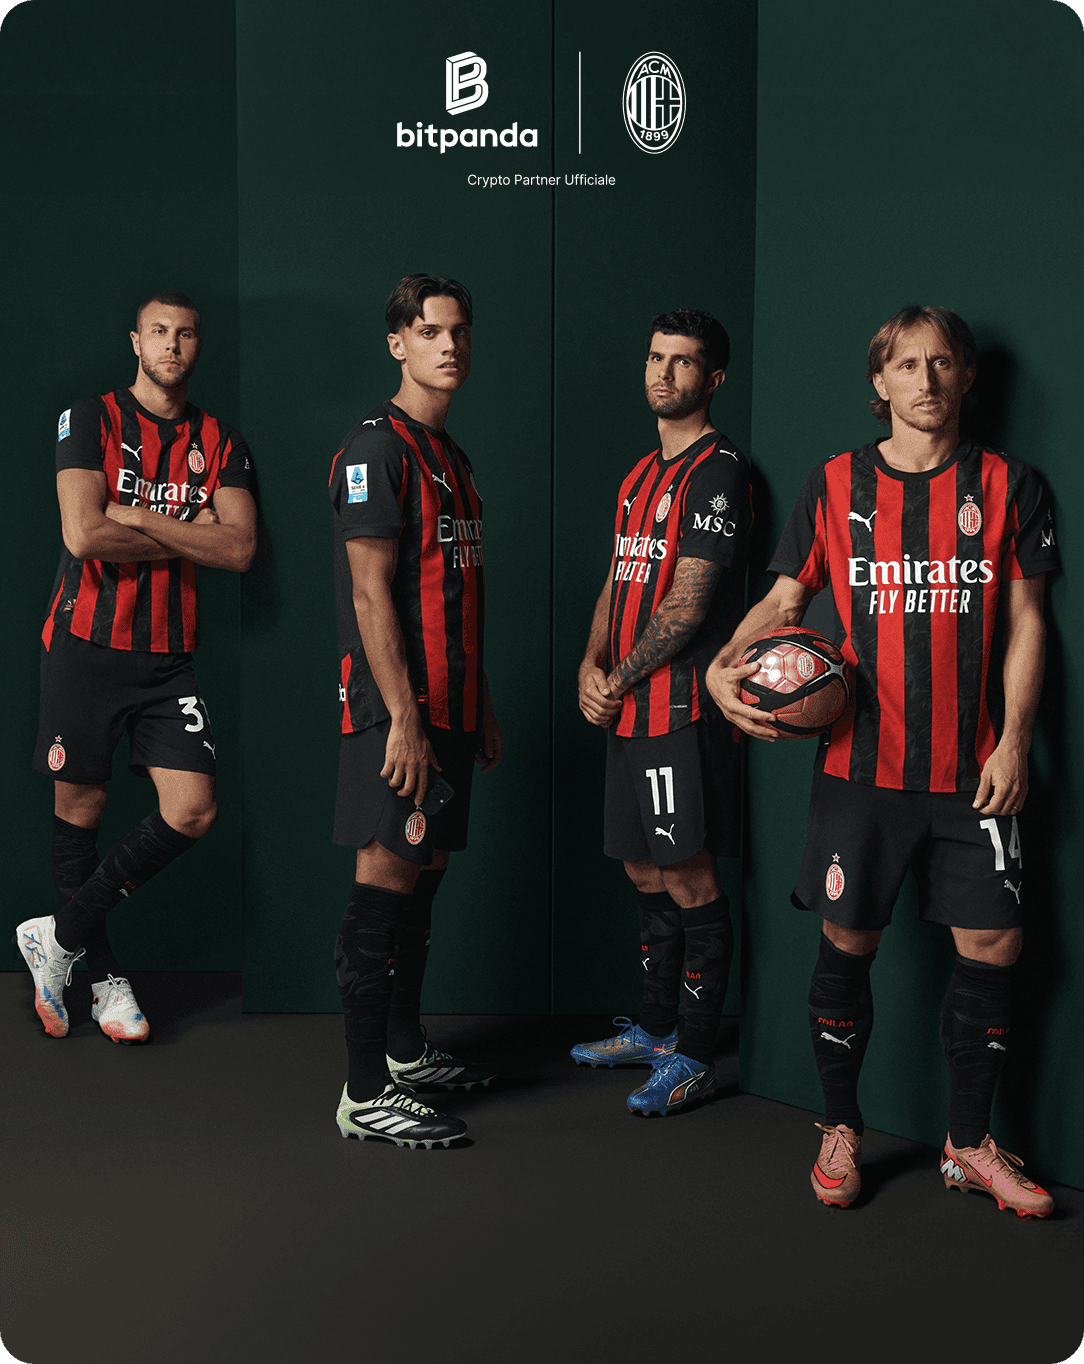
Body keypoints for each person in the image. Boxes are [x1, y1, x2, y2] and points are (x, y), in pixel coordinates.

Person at [708, 305, 1058, 1216]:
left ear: (967, 377)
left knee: (996, 944)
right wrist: (720, 666)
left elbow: (1027, 624)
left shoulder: (1012, 485)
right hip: (859, 772)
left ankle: (969, 1144)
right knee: (845, 945)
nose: (927, 379)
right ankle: (839, 1127)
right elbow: (787, 598)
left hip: (975, 770)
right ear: (880, 383)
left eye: (943, 362)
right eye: (907, 364)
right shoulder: (834, 485)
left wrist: (1018, 739)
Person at [20, 290, 257, 1043]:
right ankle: (104, 977)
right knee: (79, 814)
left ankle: (53, 938)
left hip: (166, 660)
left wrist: (144, 518)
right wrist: (192, 531)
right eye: (159, 332)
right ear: (135, 342)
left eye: (186, 333)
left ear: (198, 345)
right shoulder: (88, 418)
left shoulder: (220, 437)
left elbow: (242, 549)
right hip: (84, 645)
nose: (173, 345)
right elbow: (86, 536)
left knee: (193, 809)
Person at [328, 273, 502, 1150]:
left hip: (452, 713)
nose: (450, 346)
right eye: (432, 331)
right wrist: (402, 715)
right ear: (398, 343)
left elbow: (455, 590)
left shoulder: (454, 457)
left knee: (421, 887)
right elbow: (370, 594)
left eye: (461, 331)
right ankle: (364, 1094)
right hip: (400, 718)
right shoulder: (376, 447)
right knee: (382, 889)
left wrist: (482, 708)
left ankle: (401, 1054)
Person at [572, 309, 752, 1117]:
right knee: (642, 869)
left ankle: (697, 1053)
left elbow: (688, 602)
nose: (664, 372)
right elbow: (621, 580)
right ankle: (654, 1030)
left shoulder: (720, 472)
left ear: (712, 379)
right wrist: (590, 662)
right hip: (626, 710)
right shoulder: (638, 476)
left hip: (678, 713)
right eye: (655, 356)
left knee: (688, 874)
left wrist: (622, 675)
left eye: (683, 362)